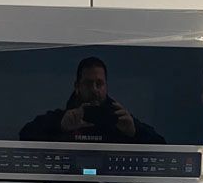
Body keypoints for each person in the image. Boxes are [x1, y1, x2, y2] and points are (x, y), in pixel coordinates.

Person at [20, 57, 166, 144]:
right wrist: (60, 127)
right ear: (77, 86)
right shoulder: (61, 119)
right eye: (88, 84)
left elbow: (161, 146)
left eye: (99, 83)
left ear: (106, 86)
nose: (95, 89)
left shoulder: (120, 120)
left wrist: (135, 131)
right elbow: (25, 135)